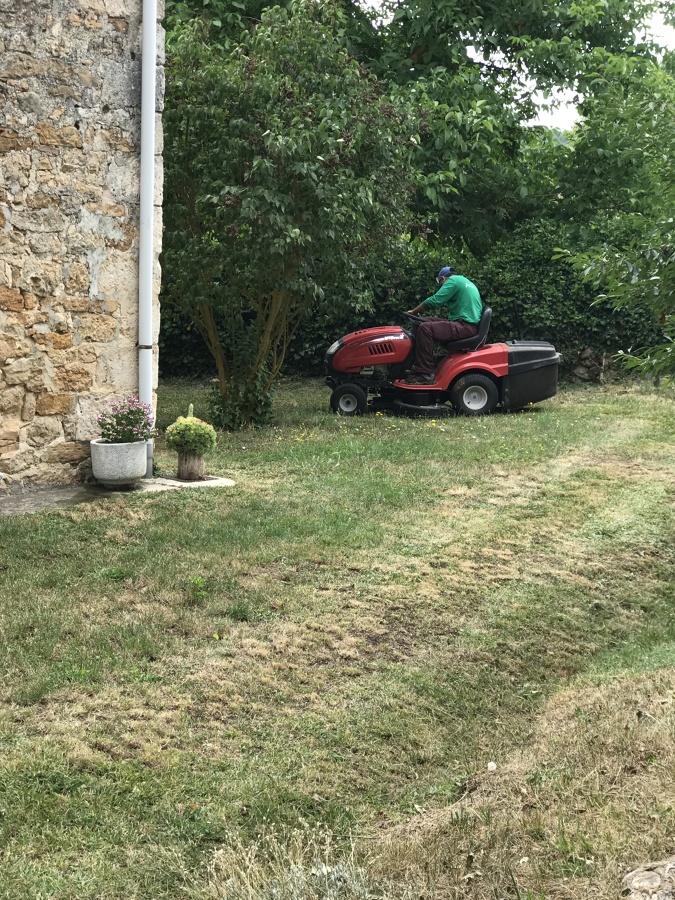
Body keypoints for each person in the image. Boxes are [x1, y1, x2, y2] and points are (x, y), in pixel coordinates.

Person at [405, 266, 482, 384]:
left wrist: (414, 311)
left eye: (440, 284)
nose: (441, 287)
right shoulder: (465, 281)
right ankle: (426, 362)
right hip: (466, 325)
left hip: (465, 326)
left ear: (443, 278)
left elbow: (435, 300)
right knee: (425, 321)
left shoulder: (452, 281)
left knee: (425, 329)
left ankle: (424, 373)